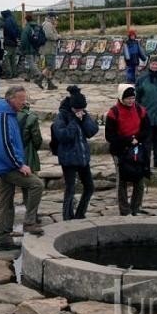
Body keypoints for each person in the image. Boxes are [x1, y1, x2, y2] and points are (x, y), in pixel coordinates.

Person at [0, 85, 44, 250]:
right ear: (11, 99)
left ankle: (3, 238)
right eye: (20, 99)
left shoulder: (8, 115)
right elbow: (4, 143)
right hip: (7, 165)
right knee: (36, 184)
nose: (23, 102)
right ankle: (29, 222)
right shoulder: (4, 117)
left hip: (4, 164)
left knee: (6, 201)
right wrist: (19, 164)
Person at [53, 86, 99, 220]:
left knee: (89, 187)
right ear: (72, 107)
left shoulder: (83, 113)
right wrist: (74, 121)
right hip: (68, 159)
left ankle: (80, 214)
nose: (80, 112)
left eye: (82, 109)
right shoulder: (62, 116)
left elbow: (92, 131)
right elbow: (63, 136)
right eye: (77, 109)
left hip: (82, 157)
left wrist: (83, 119)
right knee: (70, 189)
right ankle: (67, 217)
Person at [105, 84, 150, 216]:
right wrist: (128, 140)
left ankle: (136, 207)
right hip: (120, 150)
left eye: (132, 98)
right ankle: (124, 209)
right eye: (128, 98)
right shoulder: (113, 112)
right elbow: (110, 136)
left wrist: (137, 139)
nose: (131, 101)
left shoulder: (140, 110)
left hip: (137, 149)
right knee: (122, 180)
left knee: (139, 179)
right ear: (121, 98)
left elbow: (147, 129)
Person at [39, 12, 60, 90]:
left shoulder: (48, 24)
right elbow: (49, 36)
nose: (55, 19)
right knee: (50, 66)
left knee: (50, 66)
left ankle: (49, 84)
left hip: (50, 47)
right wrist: (58, 36)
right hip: (49, 48)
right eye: (55, 17)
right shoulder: (48, 24)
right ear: (51, 17)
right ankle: (39, 79)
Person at [19, 14, 42, 83]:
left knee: (31, 63)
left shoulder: (27, 28)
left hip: (29, 48)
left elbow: (23, 39)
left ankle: (40, 75)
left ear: (26, 20)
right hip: (36, 47)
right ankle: (28, 77)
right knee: (31, 62)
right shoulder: (37, 26)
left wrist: (23, 48)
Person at [0, 10, 21, 79]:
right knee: (13, 58)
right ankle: (14, 73)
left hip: (8, 42)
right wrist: (16, 39)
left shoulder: (7, 21)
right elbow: (18, 31)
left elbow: (9, 31)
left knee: (7, 58)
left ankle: (9, 74)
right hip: (14, 43)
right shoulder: (13, 20)